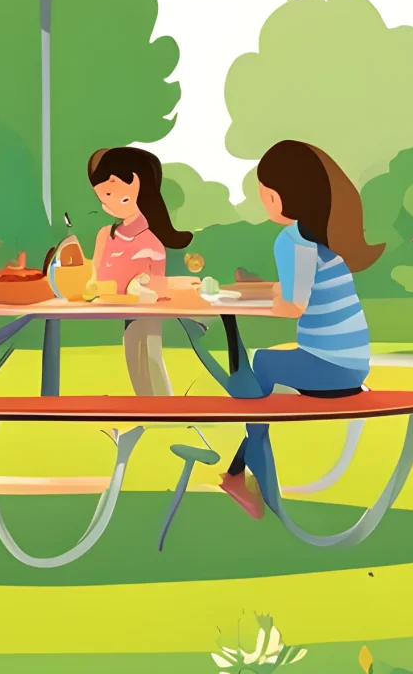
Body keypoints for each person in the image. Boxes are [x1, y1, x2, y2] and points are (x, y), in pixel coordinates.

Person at [216, 141, 381, 521]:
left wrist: (250, 300)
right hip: (353, 367)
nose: (261, 198)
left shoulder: (292, 239)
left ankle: (245, 469)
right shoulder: (323, 239)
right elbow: (298, 290)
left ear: (277, 196)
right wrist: (258, 289)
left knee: (262, 363)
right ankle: (239, 471)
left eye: (263, 192)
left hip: (330, 368)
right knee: (260, 384)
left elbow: (294, 305)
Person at [85, 147, 191, 396]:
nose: (106, 203)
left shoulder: (150, 240)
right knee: (135, 357)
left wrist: (142, 288)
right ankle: (152, 413)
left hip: (143, 309)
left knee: (148, 357)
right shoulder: (106, 234)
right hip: (117, 305)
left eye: (112, 194)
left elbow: (156, 283)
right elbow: (95, 272)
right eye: (103, 197)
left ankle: (163, 411)